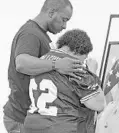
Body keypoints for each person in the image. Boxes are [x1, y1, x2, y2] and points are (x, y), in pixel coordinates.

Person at [3, 0, 86, 133]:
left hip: (35, 119)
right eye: (64, 19)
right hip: (21, 118)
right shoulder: (31, 34)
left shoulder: (41, 35)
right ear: (51, 12)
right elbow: (22, 63)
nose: (65, 26)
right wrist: (57, 64)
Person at [24, 29, 105, 133]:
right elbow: (98, 104)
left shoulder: (42, 59)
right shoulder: (72, 65)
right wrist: (92, 73)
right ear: (77, 51)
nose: (82, 63)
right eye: (83, 60)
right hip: (62, 126)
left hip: (33, 125)